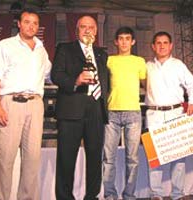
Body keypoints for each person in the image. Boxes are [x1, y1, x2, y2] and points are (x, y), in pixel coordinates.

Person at [0, 8, 51, 200]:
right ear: (19, 24)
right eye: (27, 22)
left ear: (38, 26)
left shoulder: (41, 50)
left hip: (35, 104)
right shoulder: (5, 46)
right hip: (10, 103)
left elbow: (50, 75)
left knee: (32, 158)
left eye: (35, 23)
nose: (31, 26)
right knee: (5, 158)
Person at [51, 15, 109, 200]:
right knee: (66, 160)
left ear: (96, 31)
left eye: (91, 27)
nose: (87, 30)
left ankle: (92, 196)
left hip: (96, 111)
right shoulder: (65, 49)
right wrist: (75, 81)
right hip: (71, 110)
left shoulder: (101, 53)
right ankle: (64, 197)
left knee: (94, 159)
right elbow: (56, 75)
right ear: (77, 30)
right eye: (83, 27)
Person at [145, 31, 193, 200]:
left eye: (165, 42)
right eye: (158, 43)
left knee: (178, 156)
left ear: (171, 46)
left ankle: (178, 194)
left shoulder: (178, 64)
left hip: (176, 113)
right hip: (154, 114)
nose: (162, 46)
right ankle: (156, 194)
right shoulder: (147, 66)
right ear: (153, 46)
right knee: (155, 157)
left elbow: (192, 85)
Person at [103, 26, 146, 200]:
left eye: (127, 38)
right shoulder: (109, 60)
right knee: (108, 158)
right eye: (120, 38)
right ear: (116, 41)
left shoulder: (139, 61)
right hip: (112, 112)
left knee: (133, 159)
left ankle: (129, 195)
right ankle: (109, 195)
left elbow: (148, 86)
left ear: (133, 41)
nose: (124, 42)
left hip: (133, 113)